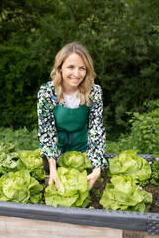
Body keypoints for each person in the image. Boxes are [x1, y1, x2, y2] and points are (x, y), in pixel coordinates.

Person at [37, 42, 107, 190]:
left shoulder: (94, 92)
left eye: (82, 68)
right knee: (51, 187)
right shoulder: (47, 92)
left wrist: (97, 168)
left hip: (82, 145)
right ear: (60, 67)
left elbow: (96, 129)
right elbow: (46, 131)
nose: (77, 74)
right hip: (54, 146)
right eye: (71, 67)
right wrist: (52, 167)